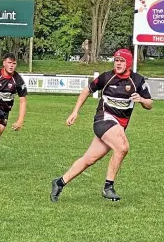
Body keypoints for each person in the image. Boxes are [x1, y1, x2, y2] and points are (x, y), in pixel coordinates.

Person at [50, 49, 153, 202]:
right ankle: (108, 187)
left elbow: (150, 104)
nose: (118, 63)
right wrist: (75, 112)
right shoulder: (106, 77)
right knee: (122, 147)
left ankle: (59, 182)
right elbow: (87, 90)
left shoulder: (137, 80)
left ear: (128, 63)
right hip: (103, 119)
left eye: (121, 61)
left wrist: (142, 100)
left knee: (89, 159)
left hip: (117, 126)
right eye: (116, 60)